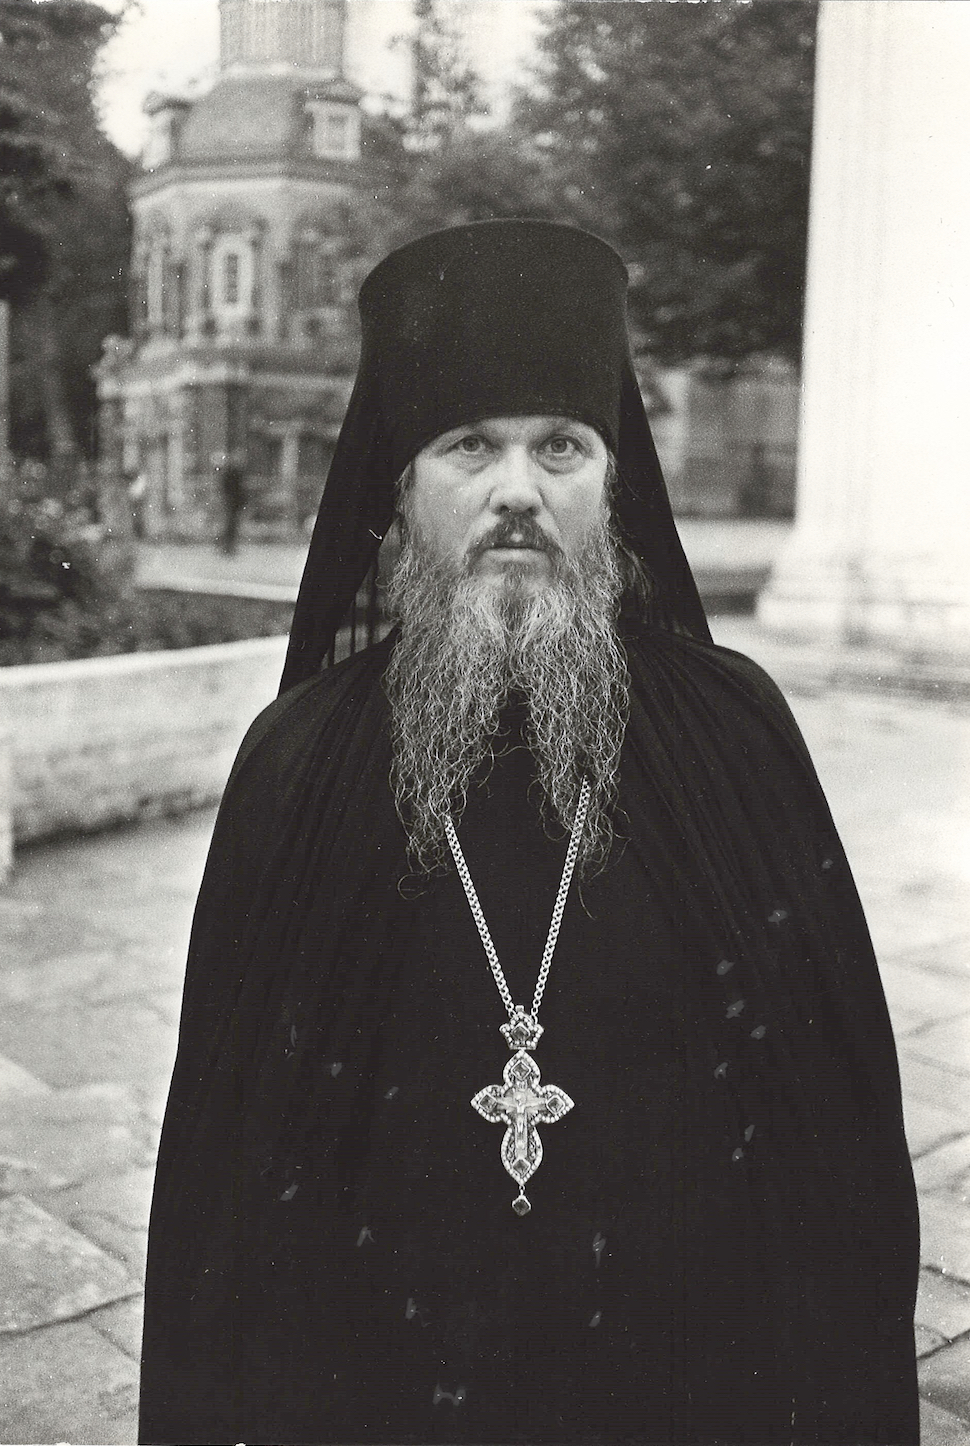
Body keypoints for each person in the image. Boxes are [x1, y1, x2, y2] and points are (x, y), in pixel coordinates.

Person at [139, 221, 919, 1446]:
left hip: (688, 1363)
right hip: (386, 1379)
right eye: (469, 446)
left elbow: (837, 1125)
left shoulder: (733, 725)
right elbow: (230, 1175)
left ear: (611, 483)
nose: (517, 489)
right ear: (400, 491)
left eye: (560, 445)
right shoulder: (297, 757)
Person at [216, 448, 247, 555]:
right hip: (231, 502)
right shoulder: (230, 473)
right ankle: (226, 547)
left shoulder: (237, 472)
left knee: (232, 525)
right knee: (230, 525)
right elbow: (228, 488)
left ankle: (228, 546)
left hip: (235, 502)